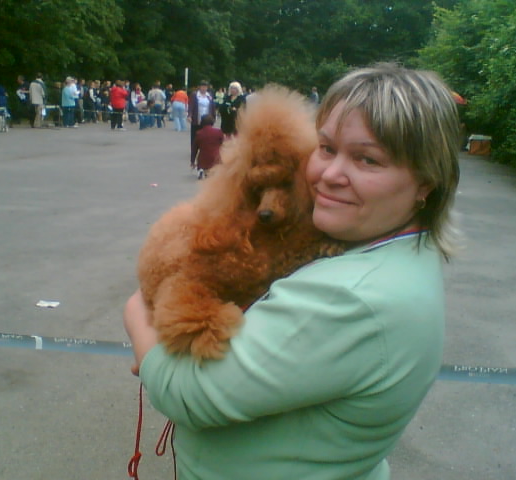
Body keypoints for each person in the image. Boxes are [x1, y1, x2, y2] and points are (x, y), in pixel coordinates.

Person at [124, 63, 461, 480]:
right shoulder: (393, 250)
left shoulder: (350, 297)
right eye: (326, 148)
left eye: (367, 159)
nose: (329, 175)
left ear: (426, 182)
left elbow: (189, 394)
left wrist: (138, 313)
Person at [188, 80, 216, 168]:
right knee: (195, 137)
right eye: (202, 86)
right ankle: (194, 152)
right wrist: (190, 115)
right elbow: (191, 106)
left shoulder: (209, 96)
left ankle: (204, 151)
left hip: (207, 120)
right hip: (197, 119)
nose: (204, 88)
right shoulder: (195, 95)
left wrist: (213, 117)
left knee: (206, 136)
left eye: (205, 87)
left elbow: (212, 107)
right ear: (199, 87)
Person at [192, 114, 223, 179]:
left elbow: (195, 149)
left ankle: (202, 171)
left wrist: (192, 161)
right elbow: (223, 144)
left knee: (203, 163)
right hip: (215, 157)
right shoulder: (218, 132)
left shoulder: (199, 133)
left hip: (203, 159)